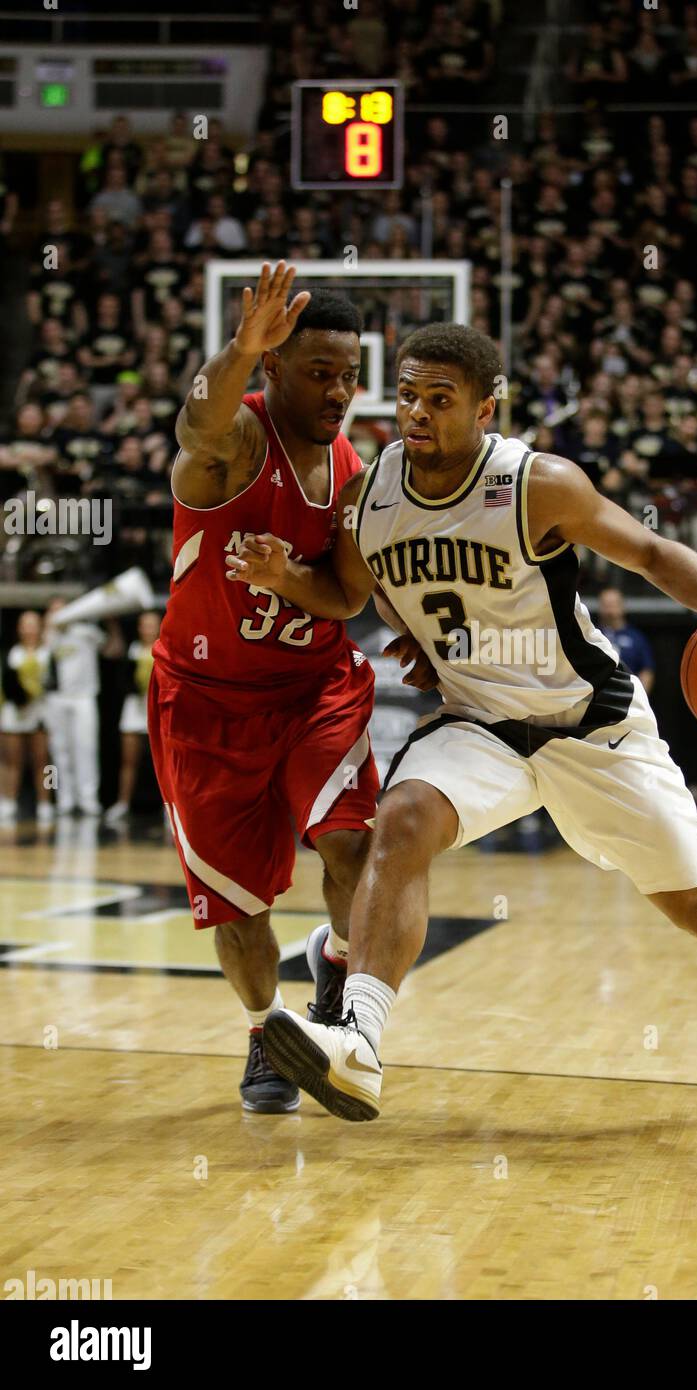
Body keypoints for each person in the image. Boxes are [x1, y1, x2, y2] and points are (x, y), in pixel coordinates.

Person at [228, 322, 697, 1123]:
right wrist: (296, 581)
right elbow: (353, 592)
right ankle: (360, 1041)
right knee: (403, 820)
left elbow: (654, 556)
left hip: (590, 726)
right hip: (481, 724)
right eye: (408, 395)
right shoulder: (372, 491)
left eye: (440, 400)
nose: (416, 413)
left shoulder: (537, 483)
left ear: (488, 409)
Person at [151, 261, 426, 1113]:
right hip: (204, 703)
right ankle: (268, 1035)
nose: (340, 391)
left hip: (313, 691)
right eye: (319, 373)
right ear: (273, 366)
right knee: (240, 913)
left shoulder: (354, 474)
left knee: (352, 844)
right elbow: (197, 422)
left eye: (349, 376)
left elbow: (345, 598)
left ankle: (338, 976)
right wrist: (239, 344)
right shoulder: (235, 447)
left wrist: (284, 580)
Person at [105, 609, 161, 826]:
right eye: (144, 625)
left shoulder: (165, 648)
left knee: (163, 763)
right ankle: (123, 803)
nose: (148, 629)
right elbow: (121, 679)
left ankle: (169, 808)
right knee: (129, 760)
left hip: (157, 709)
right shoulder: (132, 649)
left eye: (152, 624)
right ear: (139, 628)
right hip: (134, 708)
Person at [0, 611, 54, 825]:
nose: (29, 629)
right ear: (19, 629)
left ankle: (46, 803)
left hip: (41, 713)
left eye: (34, 625)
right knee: (12, 759)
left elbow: (53, 682)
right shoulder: (12, 654)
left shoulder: (48, 653)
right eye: (25, 625)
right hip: (16, 712)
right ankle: (8, 801)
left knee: (45, 762)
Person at [597, 587, 654, 694]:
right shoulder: (591, 635)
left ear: (622, 606)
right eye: (606, 605)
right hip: (598, 698)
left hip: (627, 696)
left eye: (613, 604)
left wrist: (639, 696)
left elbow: (646, 671)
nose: (609, 610)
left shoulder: (636, 638)